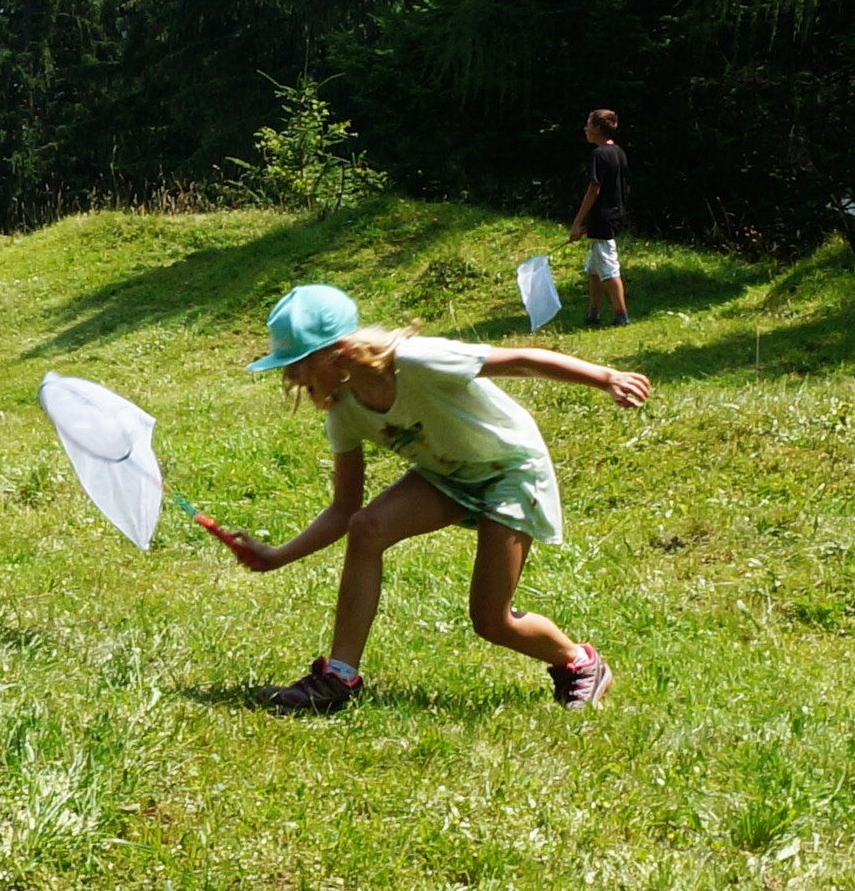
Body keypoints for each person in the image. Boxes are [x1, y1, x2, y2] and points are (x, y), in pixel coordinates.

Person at [221, 283, 649, 715]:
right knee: (366, 528)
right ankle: (338, 676)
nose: (292, 378)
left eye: (300, 364)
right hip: (448, 475)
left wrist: (606, 377)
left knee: (491, 621)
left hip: (510, 470)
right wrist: (277, 556)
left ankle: (579, 662)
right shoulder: (344, 410)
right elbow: (343, 509)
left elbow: (519, 359)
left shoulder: (417, 360)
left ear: (341, 352)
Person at [568, 110, 632, 326]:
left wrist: (577, 222)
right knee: (594, 268)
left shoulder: (599, 155)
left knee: (608, 268)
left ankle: (621, 315)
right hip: (612, 215)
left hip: (604, 218)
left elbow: (594, 189)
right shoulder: (619, 152)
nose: (585, 128)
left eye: (588, 124)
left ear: (597, 128)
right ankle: (593, 313)